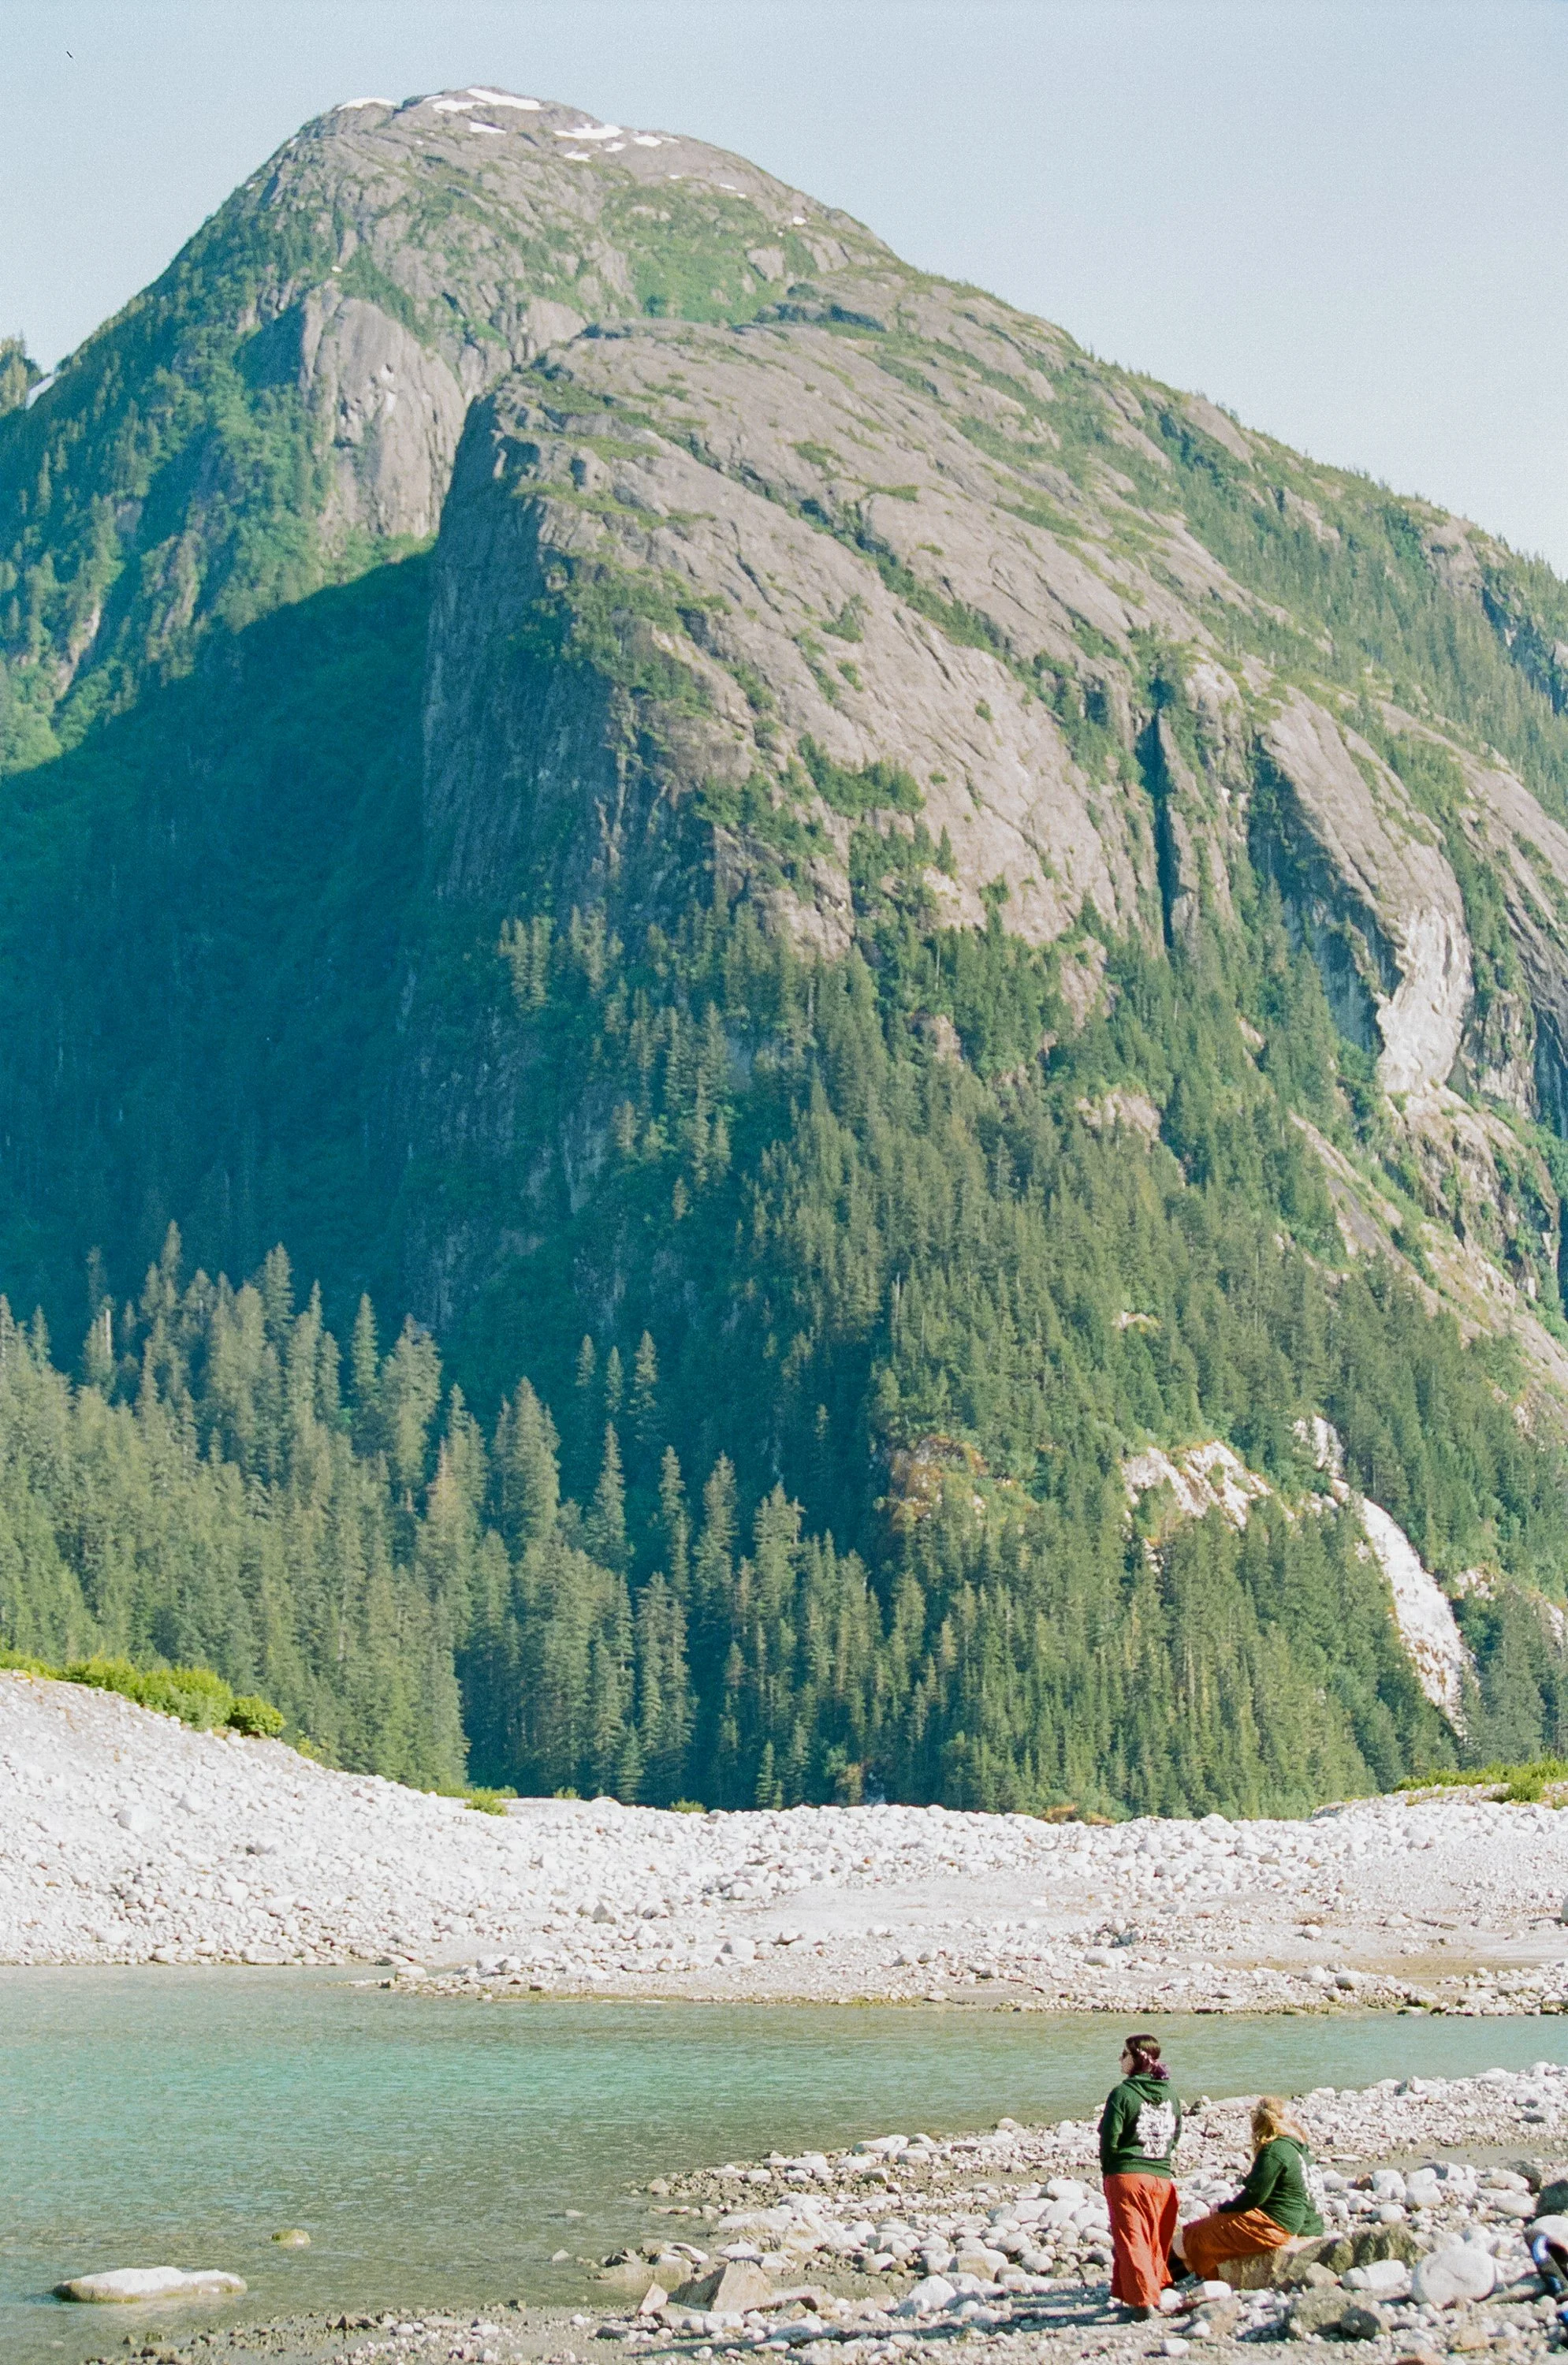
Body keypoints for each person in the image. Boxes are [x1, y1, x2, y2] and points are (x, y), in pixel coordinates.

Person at [1172, 2098, 1324, 2284]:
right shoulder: (1299, 2149)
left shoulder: (1275, 2150)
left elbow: (1255, 2195)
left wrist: (1224, 2208)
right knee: (1205, 2239)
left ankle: (1152, 2281)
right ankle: (1168, 2281)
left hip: (1277, 2223)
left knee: (1193, 2236)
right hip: (1297, 2222)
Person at [1099, 2032, 1183, 2319]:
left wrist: (1108, 2172)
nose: (1119, 2059)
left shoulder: (1122, 2093)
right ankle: (1146, 2294)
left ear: (1136, 2059)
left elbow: (1110, 2139)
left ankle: (1141, 2304)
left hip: (1128, 2176)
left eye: (1123, 2054)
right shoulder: (1171, 2094)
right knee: (1153, 2239)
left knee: (1132, 2238)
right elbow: (1176, 2135)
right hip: (1161, 2176)